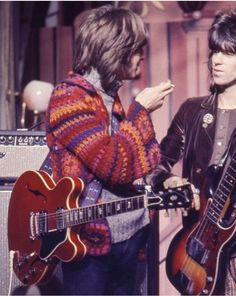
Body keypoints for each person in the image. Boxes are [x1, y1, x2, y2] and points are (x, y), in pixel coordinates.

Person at [46, 4, 174, 295]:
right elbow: (114, 165)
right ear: (115, 49)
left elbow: (149, 157)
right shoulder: (69, 98)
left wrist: (159, 174)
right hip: (90, 244)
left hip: (131, 233)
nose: (142, 54)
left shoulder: (110, 96)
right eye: (136, 48)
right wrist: (140, 109)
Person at [146, 9, 236, 295]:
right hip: (197, 242)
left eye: (228, 52)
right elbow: (156, 163)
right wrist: (171, 180)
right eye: (214, 51)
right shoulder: (192, 110)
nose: (217, 60)